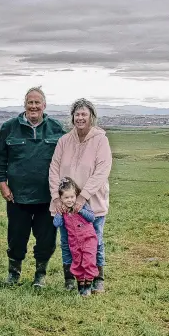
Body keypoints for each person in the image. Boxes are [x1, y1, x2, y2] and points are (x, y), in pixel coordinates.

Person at [0, 86, 65, 287]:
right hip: (17, 196)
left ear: (44, 105)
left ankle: (40, 275)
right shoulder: (9, 127)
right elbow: (0, 159)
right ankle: (13, 273)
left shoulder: (56, 128)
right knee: (16, 238)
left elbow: (66, 160)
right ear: (24, 104)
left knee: (46, 239)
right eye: (30, 102)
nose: (33, 106)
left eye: (37, 102)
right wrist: (2, 184)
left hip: (48, 197)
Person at [49, 98, 112, 293]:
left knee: (96, 241)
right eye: (77, 114)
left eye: (84, 114)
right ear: (72, 117)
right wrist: (56, 197)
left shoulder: (101, 139)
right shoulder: (64, 141)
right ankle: (71, 279)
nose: (80, 118)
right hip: (65, 204)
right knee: (68, 243)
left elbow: (102, 170)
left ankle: (97, 279)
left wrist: (83, 196)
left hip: (92, 203)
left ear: (91, 117)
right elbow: (54, 169)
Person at [53, 177, 98, 296]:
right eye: (66, 198)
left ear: (76, 195)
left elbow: (92, 218)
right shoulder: (63, 211)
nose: (70, 200)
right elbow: (57, 224)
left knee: (88, 261)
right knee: (77, 263)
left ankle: (88, 286)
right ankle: (80, 287)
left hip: (88, 239)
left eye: (72, 197)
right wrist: (59, 213)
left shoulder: (82, 206)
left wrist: (81, 211)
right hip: (74, 242)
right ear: (61, 198)